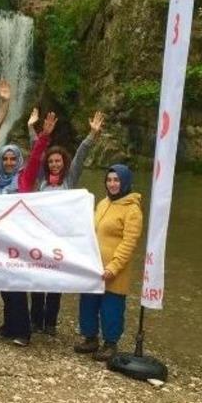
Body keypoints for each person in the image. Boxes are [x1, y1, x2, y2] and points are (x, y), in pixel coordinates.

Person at [29, 111, 105, 334]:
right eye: (51, 161)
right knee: (37, 279)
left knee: (55, 281)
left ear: (64, 163)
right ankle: (35, 320)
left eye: (58, 161)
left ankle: (50, 323)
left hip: (61, 239)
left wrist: (92, 134)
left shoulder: (70, 180)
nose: (54, 164)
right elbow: (36, 151)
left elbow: (81, 154)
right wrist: (36, 130)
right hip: (39, 237)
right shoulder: (41, 180)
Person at [0, 110, 57, 347]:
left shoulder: (24, 179)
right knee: (3, 286)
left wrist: (43, 137)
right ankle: (8, 326)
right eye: (5, 159)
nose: (9, 162)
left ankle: (23, 330)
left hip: (19, 241)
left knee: (17, 286)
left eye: (13, 159)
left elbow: (37, 158)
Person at [75, 164, 143, 362]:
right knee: (88, 302)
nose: (112, 184)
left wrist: (113, 267)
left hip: (115, 270)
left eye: (117, 180)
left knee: (111, 307)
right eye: (109, 180)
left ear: (125, 182)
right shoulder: (103, 203)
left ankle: (110, 343)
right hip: (93, 266)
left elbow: (129, 243)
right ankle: (90, 338)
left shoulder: (133, 210)